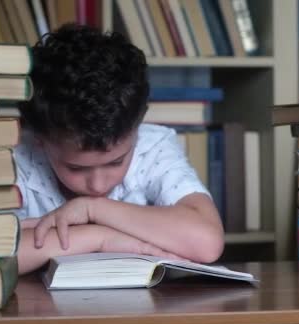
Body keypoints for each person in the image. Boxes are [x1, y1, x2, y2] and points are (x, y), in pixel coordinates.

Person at [14, 24, 224, 275]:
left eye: (116, 162)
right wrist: (98, 237)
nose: (98, 186)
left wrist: (94, 209)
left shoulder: (152, 148)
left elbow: (206, 243)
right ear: (40, 138)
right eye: (76, 167)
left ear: (138, 128)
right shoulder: (15, 160)